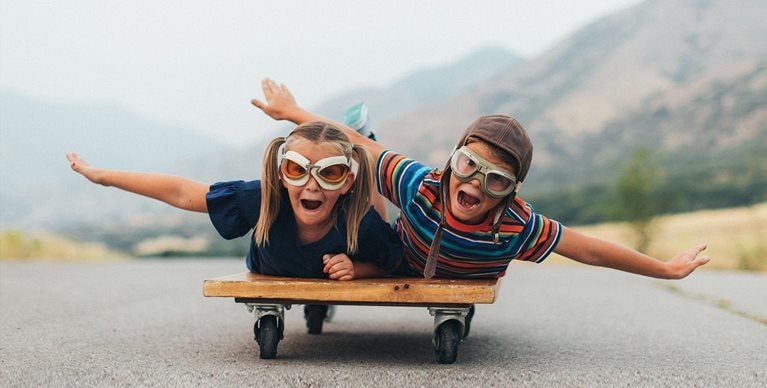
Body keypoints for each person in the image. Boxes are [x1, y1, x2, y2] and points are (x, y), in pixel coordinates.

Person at [251, 78, 710, 281]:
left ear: (511, 193)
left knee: (370, 162)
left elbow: (588, 248)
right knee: (366, 165)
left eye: (496, 181)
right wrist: (292, 112)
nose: (474, 185)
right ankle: (375, 139)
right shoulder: (423, 184)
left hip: (454, 267)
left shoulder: (517, 224)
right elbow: (351, 142)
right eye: (469, 166)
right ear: (453, 161)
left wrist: (665, 269)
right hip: (400, 254)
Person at [66, 121, 402, 281]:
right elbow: (183, 192)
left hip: (352, 223)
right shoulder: (263, 199)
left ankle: (365, 143)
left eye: (328, 174)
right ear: (282, 175)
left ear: (344, 181)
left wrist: (356, 268)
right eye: (297, 170)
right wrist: (104, 177)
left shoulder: (360, 224)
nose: (311, 186)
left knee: (367, 212)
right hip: (276, 263)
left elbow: (391, 260)